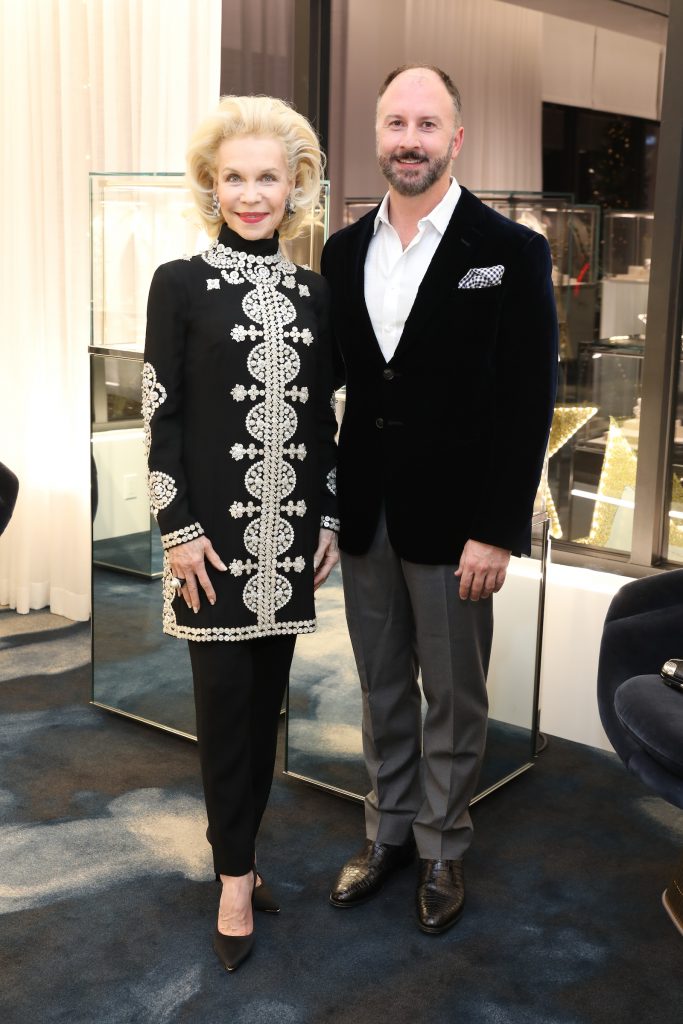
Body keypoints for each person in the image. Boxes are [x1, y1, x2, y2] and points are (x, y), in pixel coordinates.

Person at [321, 65, 558, 934]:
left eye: (426, 123)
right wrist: (323, 506)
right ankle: (385, 834)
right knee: (381, 686)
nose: (408, 139)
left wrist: (497, 530)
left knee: (453, 697)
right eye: (394, 122)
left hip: (460, 528)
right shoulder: (343, 251)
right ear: (376, 135)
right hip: (367, 518)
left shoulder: (509, 249)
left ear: (456, 138)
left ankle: (443, 849)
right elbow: (336, 388)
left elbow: (529, 400)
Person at [143, 95, 339, 971]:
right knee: (224, 713)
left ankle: (243, 852)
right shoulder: (178, 283)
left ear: (295, 186)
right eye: (234, 178)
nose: (251, 195)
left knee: (266, 712)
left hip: (287, 545)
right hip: (210, 548)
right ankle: (231, 876)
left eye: (268, 178)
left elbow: (327, 419)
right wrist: (176, 528)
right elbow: (162, 417)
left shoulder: (314, 290)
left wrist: (328, 513)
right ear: (209, 186)